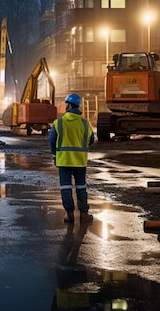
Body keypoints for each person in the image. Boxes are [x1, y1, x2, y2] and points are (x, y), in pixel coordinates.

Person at [48, 93, 95, 224]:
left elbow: (51, 140)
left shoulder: (59, 123)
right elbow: (91, 140)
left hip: (64, 161)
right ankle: (84, 214)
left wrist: (54, 155)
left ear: (68, 105)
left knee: (66, 187)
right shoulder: (85, 124)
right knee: (81, 187)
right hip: (80, 161)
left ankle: (70, 214)